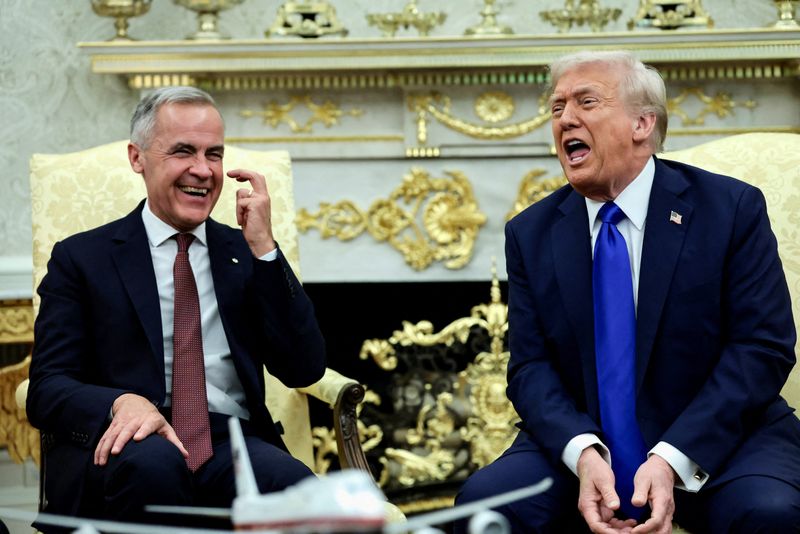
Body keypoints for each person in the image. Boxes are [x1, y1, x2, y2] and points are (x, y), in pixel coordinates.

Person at [455, 51, 800, 533]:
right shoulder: (530, 233)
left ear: (642, 123)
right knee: (482, 509)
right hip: (582, 441)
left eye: (586, 102)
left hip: (721, 438)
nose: (565, 119)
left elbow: (762, 347)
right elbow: (530, 367)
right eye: (556, 108)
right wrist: (583, 453)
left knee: (768, 513)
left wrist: (670, 458)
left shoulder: (729, 209)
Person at [26, 87, 326, 528]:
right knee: (154, 471)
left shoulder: (244, 253)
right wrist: (120, 402)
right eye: (183, 151)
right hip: (132, 439)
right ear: (137, 157)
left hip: (228, 439)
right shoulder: (82, 258)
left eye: (214, 154)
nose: (203, 170)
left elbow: (305, 369)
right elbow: (46, 389)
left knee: (307, 496)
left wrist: (264, 248)